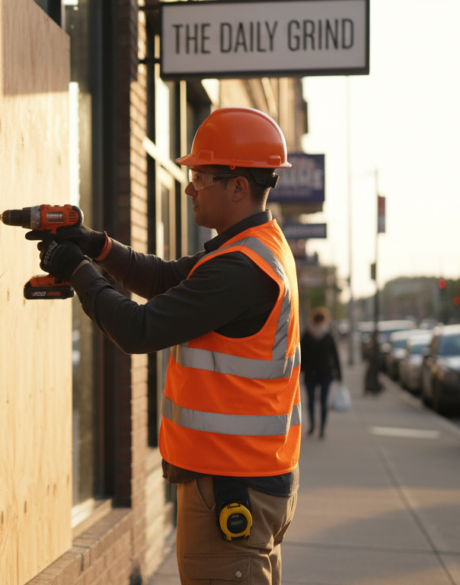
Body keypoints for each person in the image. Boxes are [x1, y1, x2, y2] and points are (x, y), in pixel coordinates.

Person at [31, 107, 300, 584]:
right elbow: (165, 278)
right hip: (244, 478)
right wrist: (96, 247)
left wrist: (76, 270)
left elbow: (139, 330)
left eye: (200, 176)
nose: (189, 187)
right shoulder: (252, 246)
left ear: (238, 186)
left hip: (232, 486)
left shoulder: (240, 270)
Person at [299, 307, 341, 439]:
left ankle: (317, 427)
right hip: (320, 373)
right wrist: (339, 374)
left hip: (318, 374)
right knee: (316, 401)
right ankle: (317, 427)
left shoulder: (311, 335)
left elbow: (334, 356)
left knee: (317, 401)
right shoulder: (321, 335)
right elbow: (335, 356)